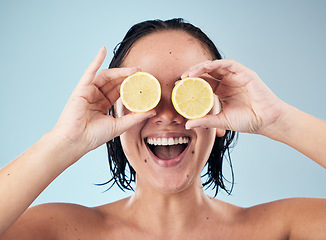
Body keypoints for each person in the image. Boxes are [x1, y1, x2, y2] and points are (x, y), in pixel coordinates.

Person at [0, 18, 325, 239]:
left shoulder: (283, 229)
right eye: (145, 94)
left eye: (189, 94)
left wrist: (278, 120)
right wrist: (63, 141)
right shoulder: (60, 230)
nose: (168, 115)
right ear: (113, 114)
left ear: (222, 115)